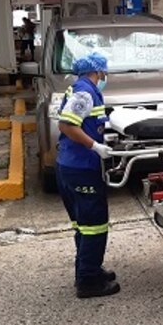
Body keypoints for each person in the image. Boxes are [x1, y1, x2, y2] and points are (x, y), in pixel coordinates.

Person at [56, 51, 118, 298]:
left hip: (72, 165)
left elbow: (87, 122)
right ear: (98, 71)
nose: (105, 75)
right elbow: (67, 125)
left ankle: (88, 269)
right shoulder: (84, 92)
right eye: (104, 71)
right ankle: (88, 282)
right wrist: (95, 146)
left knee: (84, 225)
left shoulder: (83, 89)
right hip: (80, 167)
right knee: (94, 225)